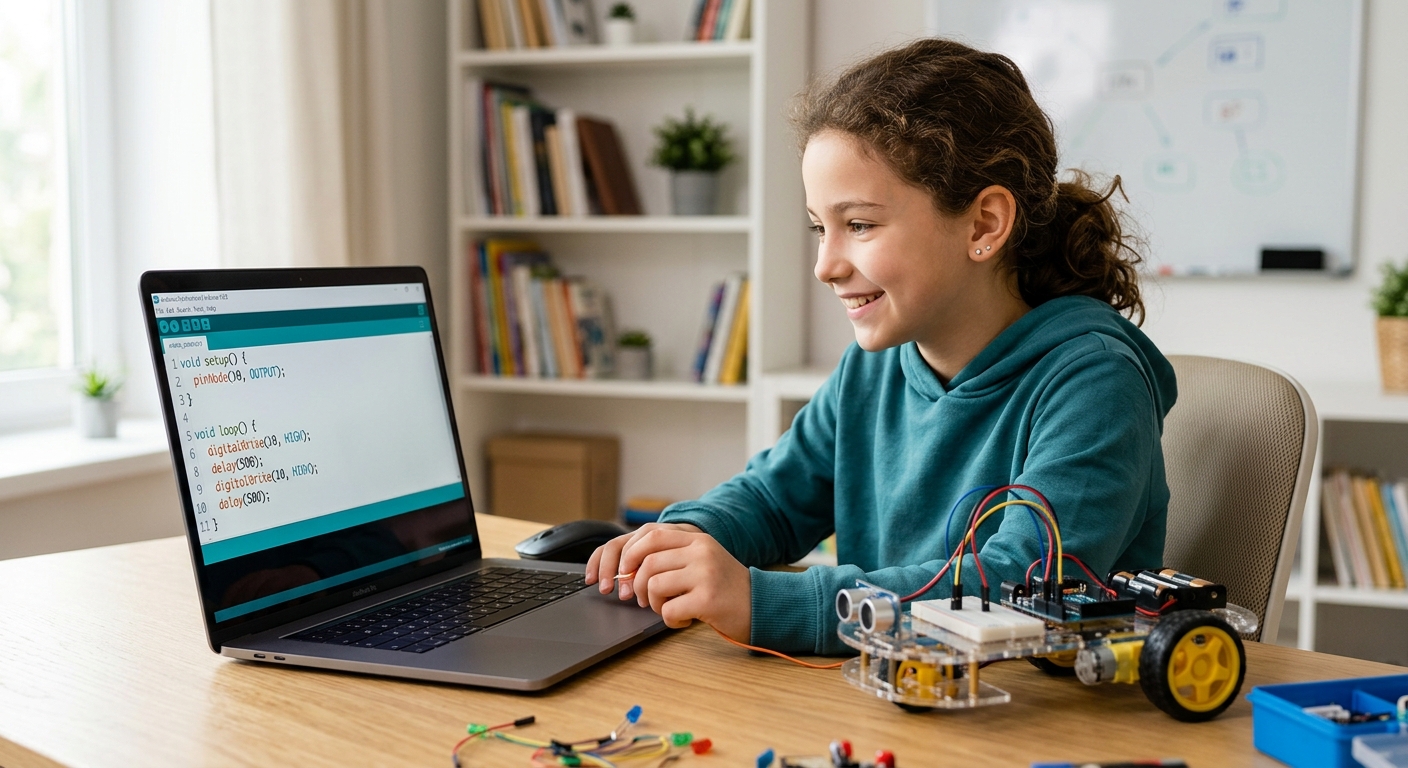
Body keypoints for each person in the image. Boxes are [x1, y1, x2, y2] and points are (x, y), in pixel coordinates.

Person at [586, 38, 1177, 656]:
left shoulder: (1096, 383)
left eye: (859, 225)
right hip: (887, 699)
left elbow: (1020, 586)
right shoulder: (872, 370)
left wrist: (763, 602)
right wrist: (679, 540)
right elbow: (772, 500)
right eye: (820, 227)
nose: (825, 265)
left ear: (983, 225)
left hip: (1024, 720)